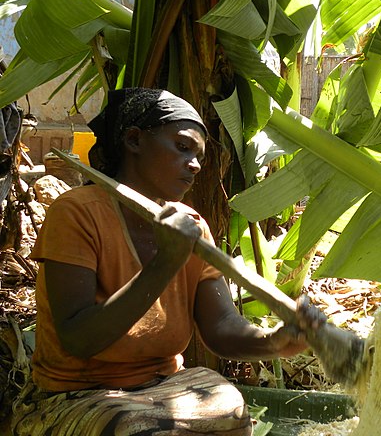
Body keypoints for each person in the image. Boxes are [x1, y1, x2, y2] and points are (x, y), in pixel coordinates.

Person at [11, 88, 323, 435]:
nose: (195, 165)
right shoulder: (77, 212)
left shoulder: (192, 226)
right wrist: (165, 263)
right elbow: (78, 338)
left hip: (165, 388)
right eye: (182, 147)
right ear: (134, 140)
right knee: (137, 429)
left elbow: (221, 327)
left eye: (200, 156)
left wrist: (275, 341)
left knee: (233, 414)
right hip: (74, 395)